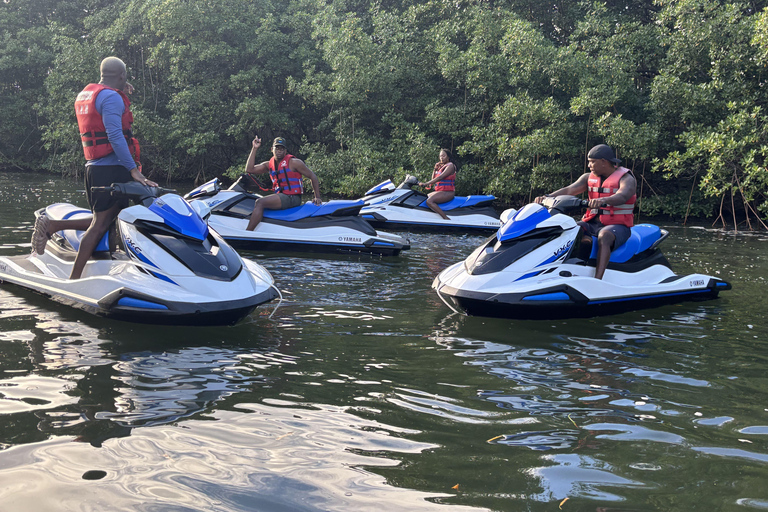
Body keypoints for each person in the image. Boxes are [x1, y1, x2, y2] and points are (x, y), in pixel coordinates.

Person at [30, 56, 157, 279]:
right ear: (121, 75)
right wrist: (133, 170)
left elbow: (106, 102)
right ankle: (74, 280)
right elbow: (115, 136)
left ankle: (56, 227)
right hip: (112, 169)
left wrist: (121, 88)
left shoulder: (91, 94)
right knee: (99, 225)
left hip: (94, 168)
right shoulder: (112, 98)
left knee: (109, 219)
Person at [534, 144, 637, 280]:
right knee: (569, 229)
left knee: (604, 236)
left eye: (592, 162)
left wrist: (603, 200)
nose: (589, 165)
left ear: (604, 162)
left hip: (618, 226)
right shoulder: (588, 178)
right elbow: (569, 190)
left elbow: (622, 195)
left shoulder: (627, 178)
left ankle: (597, 279)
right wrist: (547, 197)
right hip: (591, 223)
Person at [243, 136, 322, 231]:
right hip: (282, 196)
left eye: (282, 149)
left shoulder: (294, 163)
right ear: (272, 149)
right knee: (256, 201)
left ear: (285, 151)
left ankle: (248, 232)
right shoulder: (269, 165)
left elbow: (313, 176)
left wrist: (317, 197)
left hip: (293, 198)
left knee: (260, 202)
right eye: (277, 148)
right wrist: (254, 148)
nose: (279, 151)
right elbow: (249, 169)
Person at [418, 148, 456, 220]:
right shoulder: (441, 167)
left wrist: (426, 183)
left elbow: (440, 177)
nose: (441, 158)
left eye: (443, 156)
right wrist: (435, 169)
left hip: (448, 192)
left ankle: (445, 218)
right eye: (440, 156)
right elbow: (434, 178)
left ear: (448, 157)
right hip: (440, 191)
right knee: (424, 197)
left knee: (429, 201)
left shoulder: (450, 166)